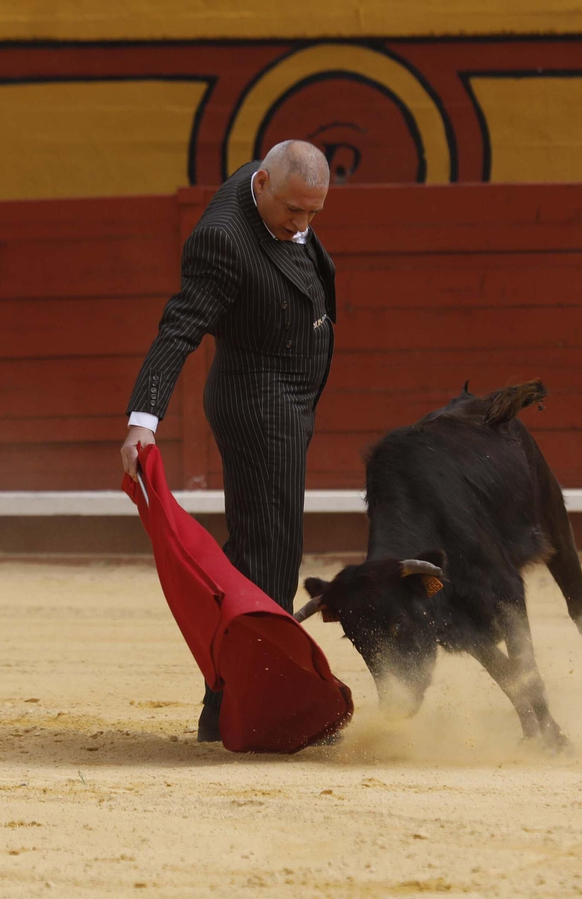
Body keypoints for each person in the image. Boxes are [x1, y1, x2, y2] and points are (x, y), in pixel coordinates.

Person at [119, 140, 336, 743]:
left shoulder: (272, 188)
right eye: (294, 211)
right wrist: (144, 419)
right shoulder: (222, 240)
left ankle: (228, 701)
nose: (302, 226)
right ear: (262, 184)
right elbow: (179, 328)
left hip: (288, 392)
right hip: (259, 403)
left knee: (259, 549)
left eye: (315, 214)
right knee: (271, 556)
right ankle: (256, 705)